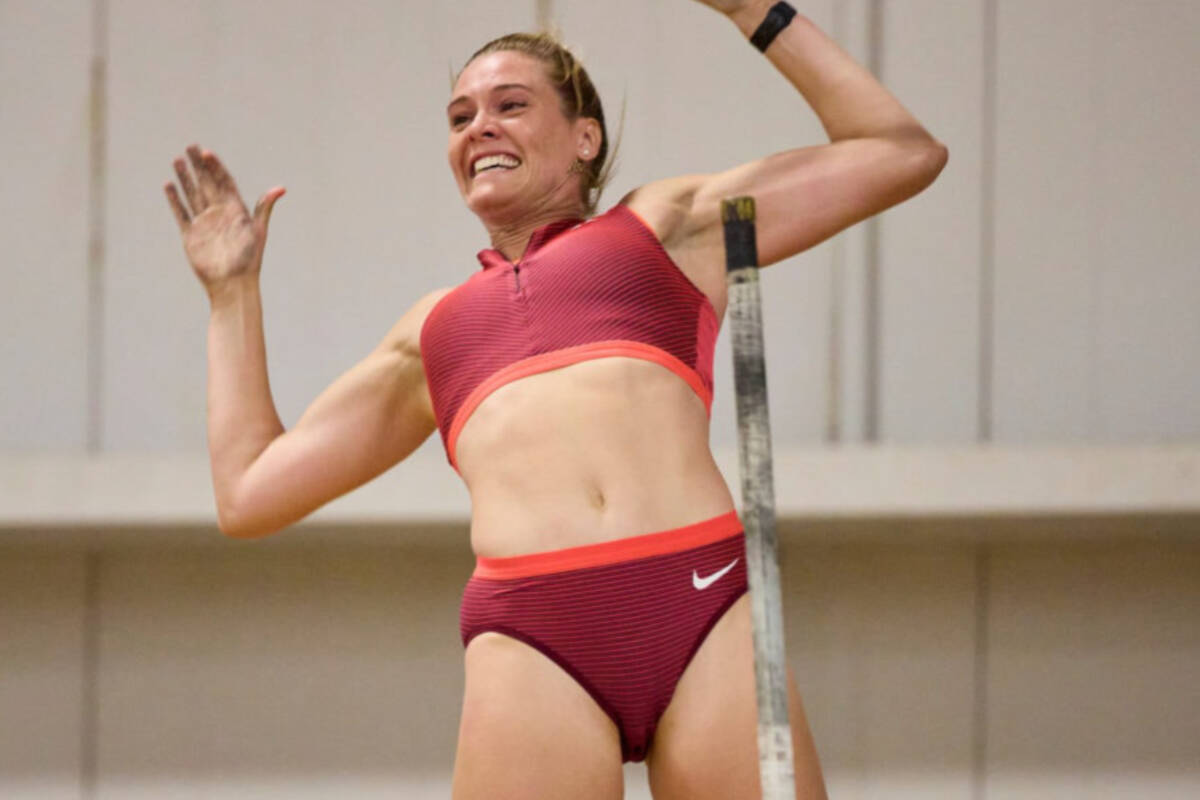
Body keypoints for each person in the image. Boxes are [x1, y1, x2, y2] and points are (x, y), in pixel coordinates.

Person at [164, 1, 946, 797]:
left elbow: (901, 152)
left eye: (511, 105)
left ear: (585, 138)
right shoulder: (430, 332)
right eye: (461, 116)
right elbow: (249, 492)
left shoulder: (668, 228)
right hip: (533, 635)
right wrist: (231, 298)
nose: (480, 127)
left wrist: (755, 13)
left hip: (702, 604)